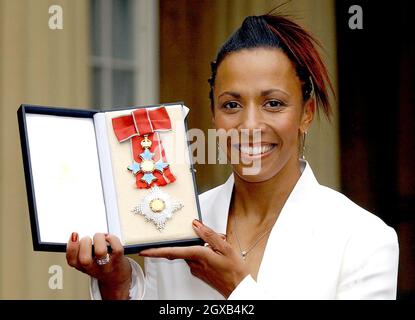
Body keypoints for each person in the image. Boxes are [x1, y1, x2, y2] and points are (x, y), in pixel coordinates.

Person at [66, 14, 399, 300]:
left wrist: (237, 288)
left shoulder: (362, 239)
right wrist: (118, 285)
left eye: (273, 103)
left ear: (306, 113)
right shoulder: (175, 221)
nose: (250, 125)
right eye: (231, 105)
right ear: (213, 115)